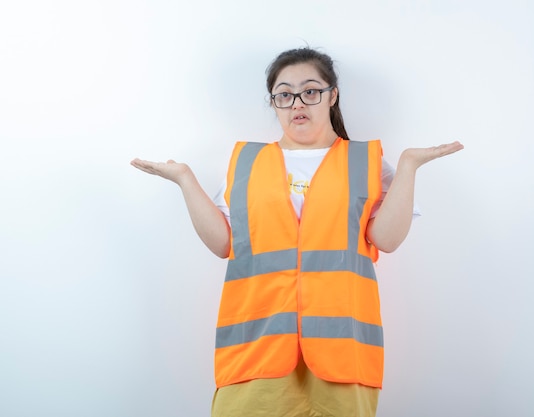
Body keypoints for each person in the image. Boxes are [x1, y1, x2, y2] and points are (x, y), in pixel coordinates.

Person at [131, 47, 464, 417]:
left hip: (343, 354)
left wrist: (408, 166)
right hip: (257, 349)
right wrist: (185, 180)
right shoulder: (247, 161)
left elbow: (386, 239)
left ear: (331, 95)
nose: (297, 103)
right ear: (273, 102)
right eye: (284, 94)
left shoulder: (365, 160)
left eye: (311, 91)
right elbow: (224, 243)